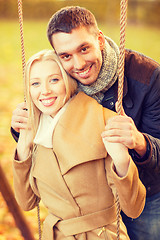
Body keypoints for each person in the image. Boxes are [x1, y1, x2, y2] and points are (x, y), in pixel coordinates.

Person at [11, 6, 160, 240]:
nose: (78, 64)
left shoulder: (146, 76)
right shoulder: (62, 77)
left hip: (147, 185)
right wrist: (21, 131)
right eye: (66, 56)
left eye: (84, 48)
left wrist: (138, 142)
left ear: (99, 39)